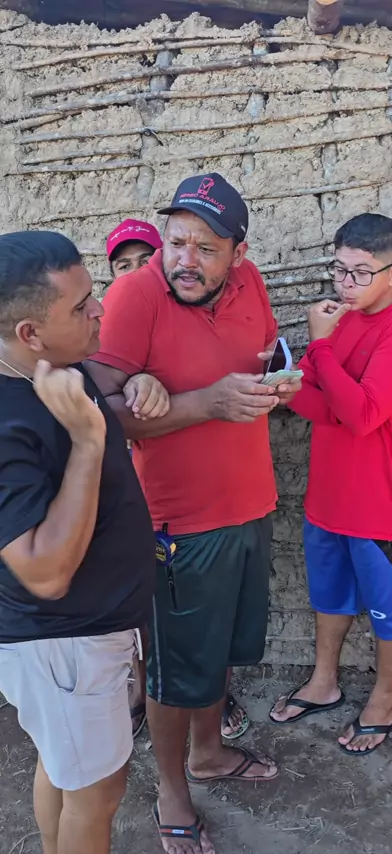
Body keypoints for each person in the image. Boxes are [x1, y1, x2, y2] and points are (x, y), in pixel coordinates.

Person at [87, 172, 301, 854]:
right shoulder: (135, 296)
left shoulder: (251, 284)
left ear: (238, 253)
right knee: (175, 673)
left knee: (221, 652)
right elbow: (94, 414)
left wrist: (277, 381)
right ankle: (172, 790)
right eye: (176, 242)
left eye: (206, 248)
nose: (185, 259)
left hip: (249, 505)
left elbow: (263, 351)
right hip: (174, 525)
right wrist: (202, 403)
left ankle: (209, 753)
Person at [0, 231, 167, 854]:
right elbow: (43, 572)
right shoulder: (6, 421)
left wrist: (141, 380)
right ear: (30, 333)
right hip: (63, 643)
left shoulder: (54, 368)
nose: (99, 310)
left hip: (89, 632)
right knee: (96, 795)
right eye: (80, 306)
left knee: (64, 769)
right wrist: (90, 443)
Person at [270, 214, 392, 756]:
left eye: (362, 273)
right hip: (328, 493)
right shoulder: (341, 319)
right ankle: (325, 682)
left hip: (379, 501)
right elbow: (327, 409)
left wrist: (319, 346)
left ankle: (385, 700)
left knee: (389, 609)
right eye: (340, 270)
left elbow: (363, 415)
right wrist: (288, 387)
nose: (346, 284)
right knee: (329, 595)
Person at [106, 218, 168, 740]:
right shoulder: (102, 331)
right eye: (122, 265)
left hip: (176, 488)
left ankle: (204, 694)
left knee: (183, 598)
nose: (133, 272)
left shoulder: (177, 319)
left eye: (144, 261)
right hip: (125, 493)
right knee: (133, 600)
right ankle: (139, 687)